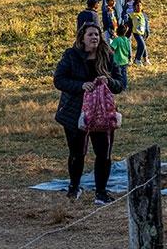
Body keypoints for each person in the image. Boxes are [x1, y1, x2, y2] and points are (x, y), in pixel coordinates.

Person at [53, 23, 126, 205]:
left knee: (104, 153)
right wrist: (81, 85)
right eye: (90, 34)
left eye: (97, 35)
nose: (94, 37)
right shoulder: (71, 55)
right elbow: (59, 80)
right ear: (82, 38)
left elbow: (120, 84)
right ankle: (74, 187)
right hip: (75, 112)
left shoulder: (108, 56)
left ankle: (101, 193)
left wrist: (108, 81)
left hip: (102, 113)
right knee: (77, 153)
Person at [108, 22, 133, 90]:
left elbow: (111, 49)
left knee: (117, 75)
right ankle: (124, 86)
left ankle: (118, 86)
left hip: (118, 60)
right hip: (125, 60)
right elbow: (129, 50)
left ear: (117, 31)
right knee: (124, 74)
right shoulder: (127, 40)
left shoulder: (117, 40)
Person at [129, 0, 150, 65]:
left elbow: (146, 24)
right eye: (137, 5)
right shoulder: (132, 15)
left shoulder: (143, 15)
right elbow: (129, 23)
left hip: (143, 33)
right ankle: (137, 59)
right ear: (134, 7)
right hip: (136, 33)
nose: (139, 7)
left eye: (140, 5)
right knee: (142, 45)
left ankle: (145, 59)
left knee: (143, 46)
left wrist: (147, 32)